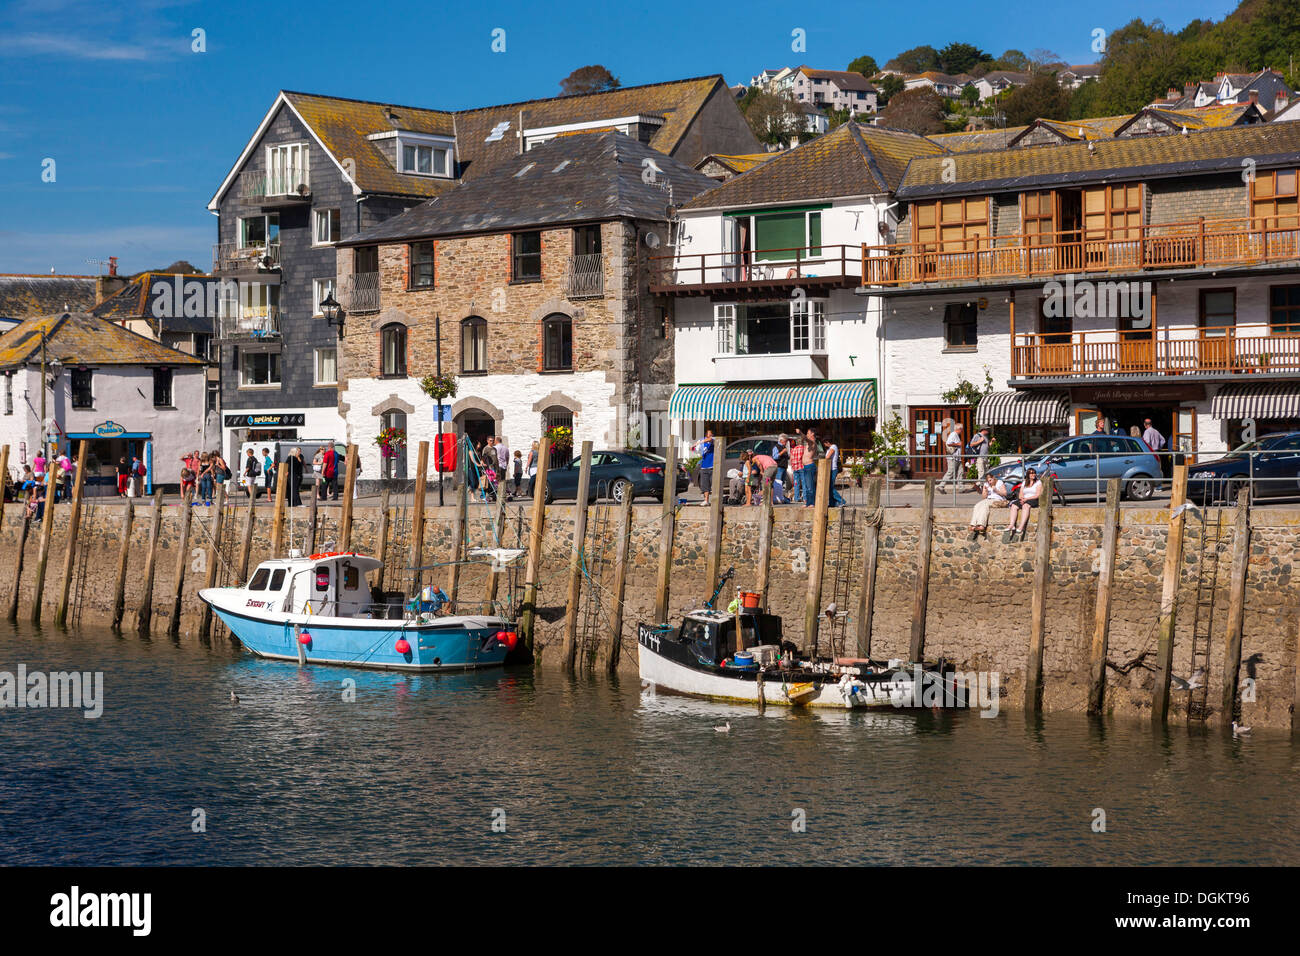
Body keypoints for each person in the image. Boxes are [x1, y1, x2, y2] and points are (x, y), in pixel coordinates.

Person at [1005, 467, 1043, 542]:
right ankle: (1012, 524)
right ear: (1028, 475)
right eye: (1031, 473)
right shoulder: (1024, 482)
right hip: (1024, 499)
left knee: (1026, 506)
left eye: (1034, 473)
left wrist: (1026, 499)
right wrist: (1022, 498)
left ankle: (1021, 526)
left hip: (1033, 499)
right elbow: (1021, 493)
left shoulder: (1038, 482)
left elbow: (1037, 494)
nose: (1033, 474)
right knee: (1014, 505)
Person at [969, 473, 1009, 539]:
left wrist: (996, 490)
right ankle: (973, 524)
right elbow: (984, 497)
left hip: (998, 499)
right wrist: (985, 491)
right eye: (988, 481)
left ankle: (981, 525)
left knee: (985, 506)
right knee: (977, 505)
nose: (989, 482)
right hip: (989, 499)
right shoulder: (986, 484)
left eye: (990, 480)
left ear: (993, 478)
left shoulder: (999, 482)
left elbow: (1005, 494)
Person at [941, 423, 964, 493]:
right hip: (952, 457)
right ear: (959, 429)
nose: (962, 430)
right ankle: (941, 486)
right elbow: (948, 443)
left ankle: (961, 488)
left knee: (961, 472)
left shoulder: (955, 435)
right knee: (950, 472)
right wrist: (958, 444)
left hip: (957, 457)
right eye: (961, 429)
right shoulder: (953, 434)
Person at [694, 430, 715, 506]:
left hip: (713, 466)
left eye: (711, 433)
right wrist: (693, 447)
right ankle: (706, 500)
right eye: (709, 434)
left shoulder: (714, 439)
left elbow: (710, 439)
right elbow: (696, 450)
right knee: (705, 485)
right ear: (706, 435)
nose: (711, 435)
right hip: (704, 466)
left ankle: (716, 500)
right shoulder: (702, 442)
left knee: (714, 484)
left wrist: (700, 442)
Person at [789, 432, 807, 506]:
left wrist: (793, 466)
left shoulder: (793, 449)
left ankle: (796, 498)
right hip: (802, 467)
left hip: (795, 468)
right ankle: (805, 498)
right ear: (802, 442)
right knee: (804, 483)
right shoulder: (804, 448)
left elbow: (791, 459)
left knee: (796, 483)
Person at [824, 438, 844, 507]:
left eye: (825, 443)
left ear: (827, 442)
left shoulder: (833, 447)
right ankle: (832, 503)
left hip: (833, 469)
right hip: (830, 469)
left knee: (830, 487)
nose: (825, 445)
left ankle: (841, 501)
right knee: (829, 487)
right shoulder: (830, 448)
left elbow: (827, 457)